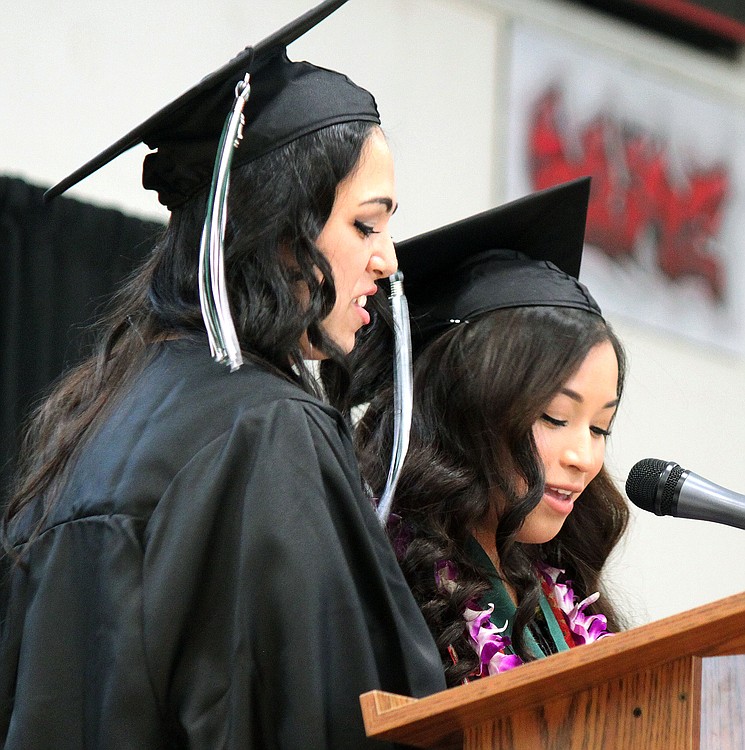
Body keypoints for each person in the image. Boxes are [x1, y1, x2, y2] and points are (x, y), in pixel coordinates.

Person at [0, 2, 446, 747]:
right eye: (365, 225)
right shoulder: (268, 431)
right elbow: (331, 711)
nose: (388, 259)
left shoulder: (95, 423)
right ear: (280, 229)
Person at [355, 178, 630, 688]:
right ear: (470, 406)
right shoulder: (382, 583)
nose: (584, 456)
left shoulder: (552, 588)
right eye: (554, 417)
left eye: (600, 427)